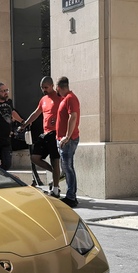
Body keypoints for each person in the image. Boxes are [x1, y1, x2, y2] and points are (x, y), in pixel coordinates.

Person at [22, 76, 63, 197]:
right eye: (42, 88)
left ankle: (56, 189)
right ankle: (56, 173)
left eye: (46, 87)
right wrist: (25, 124)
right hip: (45, 133)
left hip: (55, 133)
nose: (44, 90)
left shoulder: (60, 98)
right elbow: (36, 113)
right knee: (35, 157)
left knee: (55, 160)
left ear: (52, 86)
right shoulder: (43, 99)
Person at [55, 76, 80, 208]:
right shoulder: (66, 98)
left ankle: (71, 197)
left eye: (56, 88)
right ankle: (71, 195)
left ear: (59, 88)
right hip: (65, 139)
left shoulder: (70, 98)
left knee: (68, 168)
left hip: (68, 140)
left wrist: (67, 136)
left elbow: (73, 116)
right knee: (67, 168)